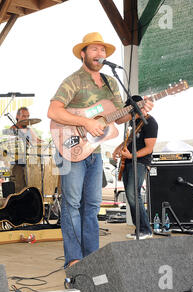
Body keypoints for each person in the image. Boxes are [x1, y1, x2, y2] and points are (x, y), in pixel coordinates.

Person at [47, 32, 154, 268]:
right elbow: (53, 112)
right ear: (83, 54)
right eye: (94, 49)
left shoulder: (110, 81)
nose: (99, 54)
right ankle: (74, 260)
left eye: (102, 50)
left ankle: (93, 259)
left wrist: (139, 110)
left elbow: (120, 116)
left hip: (93, 151)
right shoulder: (73, 80)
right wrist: (86, 122)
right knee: (72, 204)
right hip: (69, 147)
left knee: (93, 205)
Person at [112, 98, 158, 240]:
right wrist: (118, 149)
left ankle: (145, 229)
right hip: (130, 162)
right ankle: (140, 229)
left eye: (129, 109)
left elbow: (149, 148)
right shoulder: (135, 123)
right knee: (131, 195)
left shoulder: (150, 122)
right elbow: (130, 140)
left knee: (133, 195)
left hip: (140, 162)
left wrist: (132, 155)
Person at [9, 107, 41, 192]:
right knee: (19, 190)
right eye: (24, 116)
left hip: (30, 164)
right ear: (17, 116)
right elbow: (12, 149)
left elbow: (37, 143)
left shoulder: (30, 130)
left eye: (27, 116)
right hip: (18, 164)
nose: (26, 119)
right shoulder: (12, 129)